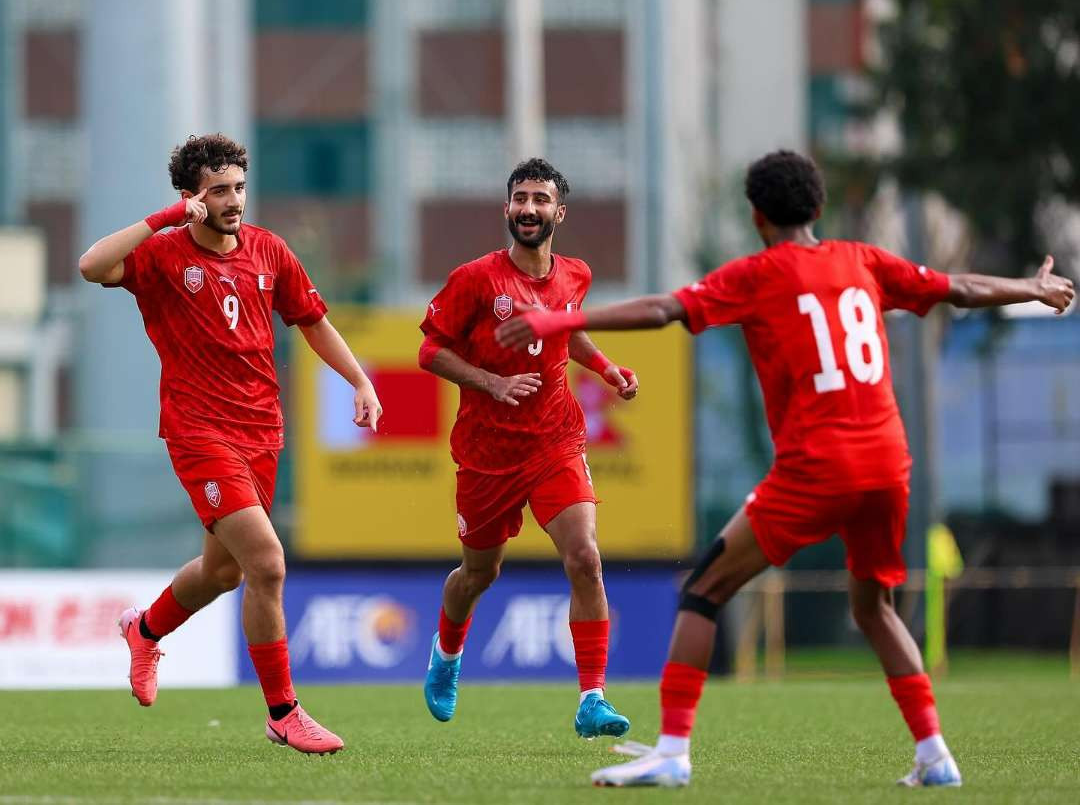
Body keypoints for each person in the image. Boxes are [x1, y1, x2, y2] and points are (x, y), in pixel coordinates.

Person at [495, 150, 1074, 788]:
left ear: (757, 215)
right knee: (875, 606)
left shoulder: (758, 274)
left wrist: (561, 318)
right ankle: (935, 753)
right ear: (818, 209)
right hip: (888, 463)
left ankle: (672, 752)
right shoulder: (864, 261)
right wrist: (1033, 288)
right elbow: (955, 287)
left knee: (703, 591)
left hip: (817, 467)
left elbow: (663, 311)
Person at [78, 133, 383, 755]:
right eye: (219, 191)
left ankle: (145, 629)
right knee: (267, 564)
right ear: (192, 197)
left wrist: (357, 379)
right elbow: (91, 267)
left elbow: (313, 321)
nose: (234, 200)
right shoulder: (163, 255)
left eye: (239, 187)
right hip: (199, 432)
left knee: (221, 573)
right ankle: (284, 713)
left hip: (261, 431)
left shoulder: (270, 250)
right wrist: (163, 221)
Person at [418, 158, 638, 739]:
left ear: (558, 213)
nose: (529, 209)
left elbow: (568, 328)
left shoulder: (576, 275)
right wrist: (491, 383)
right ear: (507, 209)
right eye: (520, 198)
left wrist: (608, 368)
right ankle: (446, 655)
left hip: (555, 441)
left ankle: (592, 698)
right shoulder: (476, 280)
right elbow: (429, 352)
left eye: (541, 199)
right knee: (478, 573)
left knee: (585, 558)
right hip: (488, 453)